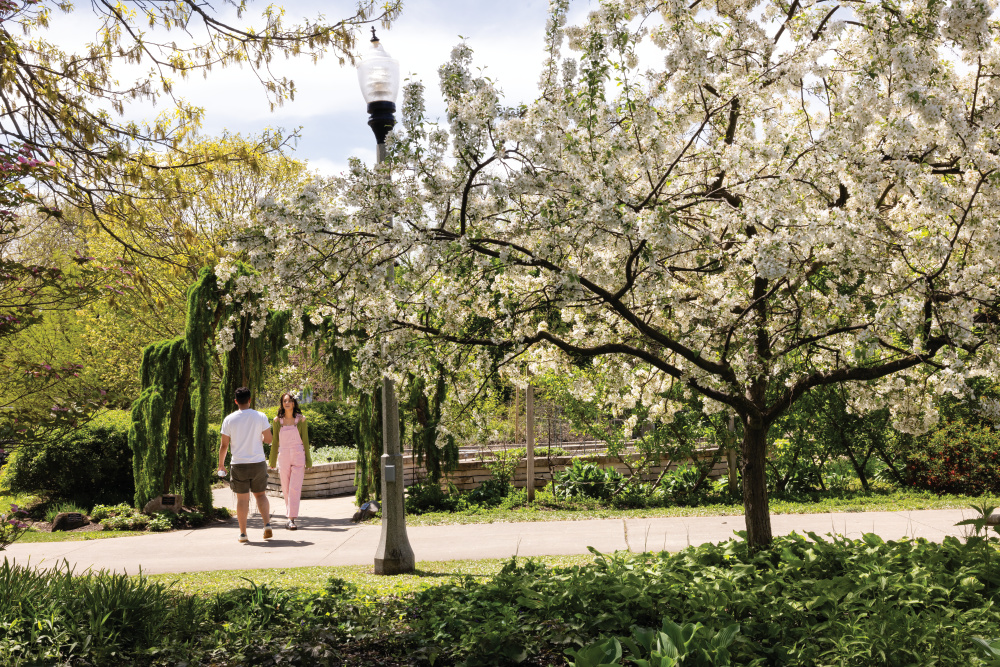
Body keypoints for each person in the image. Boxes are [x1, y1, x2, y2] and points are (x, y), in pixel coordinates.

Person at [218, 386, 273, 543]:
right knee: (261, 495)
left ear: (236, 401)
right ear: (250, 399)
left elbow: (224, 445)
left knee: (242, 500)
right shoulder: (260, 416)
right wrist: (259, 439)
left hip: (239, 464)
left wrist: (221, 465)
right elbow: (269, 440)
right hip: (258, 463)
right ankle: (267, 525)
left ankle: (243, 534)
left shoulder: (229, 419)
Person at [268, 392, 311, 530]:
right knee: (286, 488)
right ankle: (290, 518)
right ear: (282, 404)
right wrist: (272, 460)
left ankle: (291, 519)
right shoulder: (276, 421)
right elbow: (275, 442)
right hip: (284, 455)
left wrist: (308, 460)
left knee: (294, 487)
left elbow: (305, 441)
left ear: (294, 403)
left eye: (289, 400)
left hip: (298, 454)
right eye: (284, 401)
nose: (287, 403)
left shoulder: (301, 420)